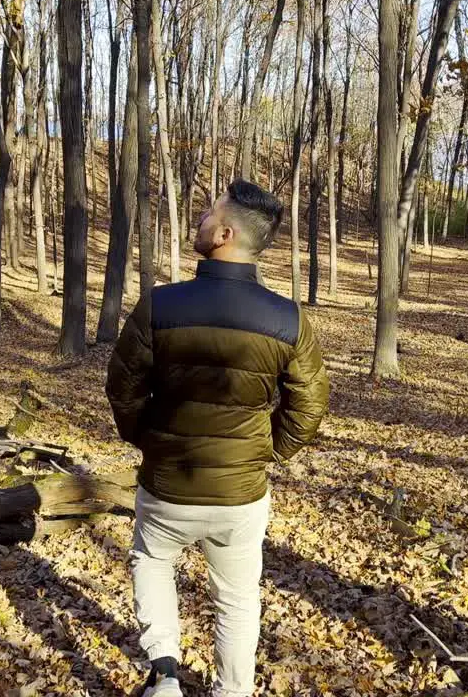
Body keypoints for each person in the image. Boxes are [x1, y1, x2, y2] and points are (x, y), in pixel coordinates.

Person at [106, 179, 331, 697]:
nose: (200, 218)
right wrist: (268, 452)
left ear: (225, 233)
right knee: (236, 598)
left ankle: (164, 676)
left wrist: (149, 440)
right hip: (240, 496)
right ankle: (232, 692)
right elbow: (310, 406)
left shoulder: (158, 307)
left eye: (208, 213)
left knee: (153, 562)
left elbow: (122, 387)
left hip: (167, 488)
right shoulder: (289, 320)